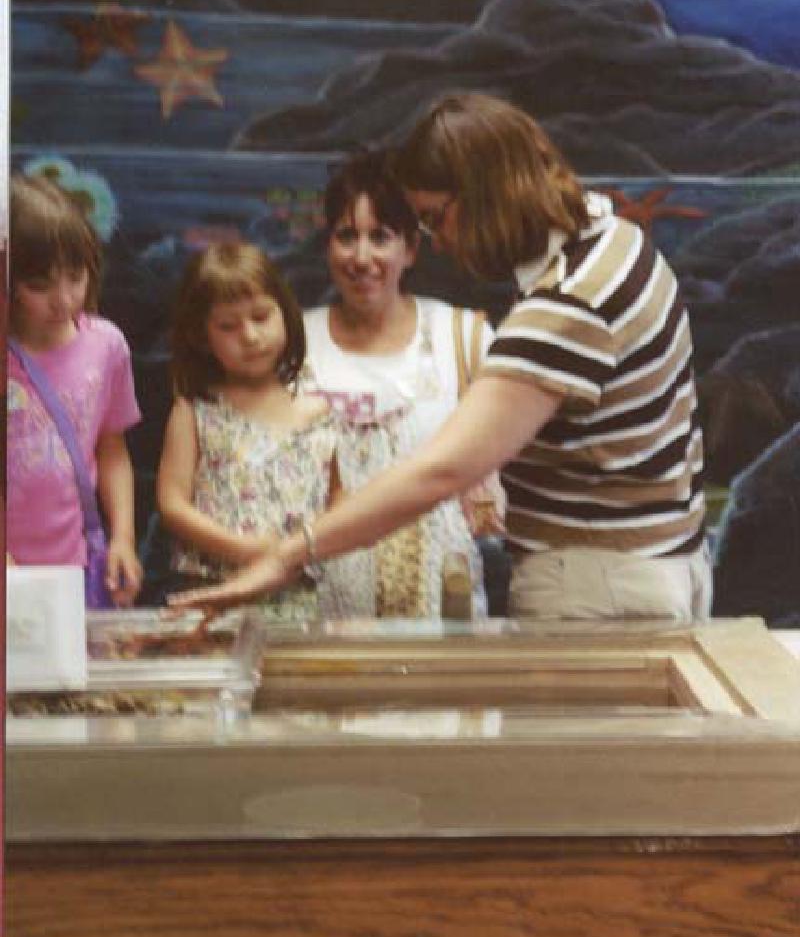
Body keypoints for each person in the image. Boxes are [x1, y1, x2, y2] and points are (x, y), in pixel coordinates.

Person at [171, 93, 710, 623]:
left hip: (601, 585)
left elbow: (444, 468)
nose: (439, 240)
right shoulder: (614, 236)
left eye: (434, 218)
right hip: (658, 561)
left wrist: (291, 552)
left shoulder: (566, 302)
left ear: (484, 193)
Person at [301, 149, 501, 618]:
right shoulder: (294, 344)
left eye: (381, 237)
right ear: (327, 246)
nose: (362, 257)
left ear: (411, 248)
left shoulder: (463, 337)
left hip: (446, 612)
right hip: (323, 616)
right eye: (347, 237)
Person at [156, 241, 342, 620]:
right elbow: (172, 504)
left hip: (299, 598)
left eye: (261, 317)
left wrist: (306, 549)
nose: (250, 336)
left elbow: (340, 501)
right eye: (228, 326)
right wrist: (246, 549)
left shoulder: (319, 410)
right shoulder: (195, 410)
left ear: (285, 315)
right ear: (201, 335)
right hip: (213, 593)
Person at [8, 173, 142, 607]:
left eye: (75, 276)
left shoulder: (106, 346)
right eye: (39, 285)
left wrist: (123, 537)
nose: (63, 299)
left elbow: (112, 446)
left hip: (76, 569)